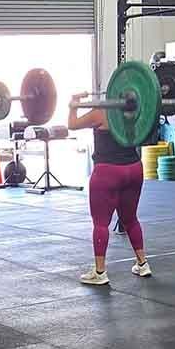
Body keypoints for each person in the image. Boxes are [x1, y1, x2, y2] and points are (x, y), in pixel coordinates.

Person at [67, 92, 151, 285]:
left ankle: (99, 272)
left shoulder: (101, 112)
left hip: (107, 172)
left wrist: (74, 105)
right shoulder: (136, 112)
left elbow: (72, 124)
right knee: (130, 219)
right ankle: (143, 263)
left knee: (101, 223)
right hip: (134, 168)